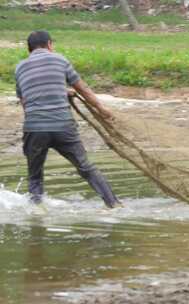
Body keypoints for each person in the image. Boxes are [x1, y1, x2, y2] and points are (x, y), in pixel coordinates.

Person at [15, 30, 122, 209]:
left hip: (34, 128)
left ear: (29, 49)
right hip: (63, 126)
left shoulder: (20, 67)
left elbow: (26, 100)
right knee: (85, 167)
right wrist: (101, 109)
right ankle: (113, 203)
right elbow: (83, 88)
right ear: (49, 44)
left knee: (35, 175)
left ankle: (36, 211)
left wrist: (62, 93)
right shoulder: (59, 60)